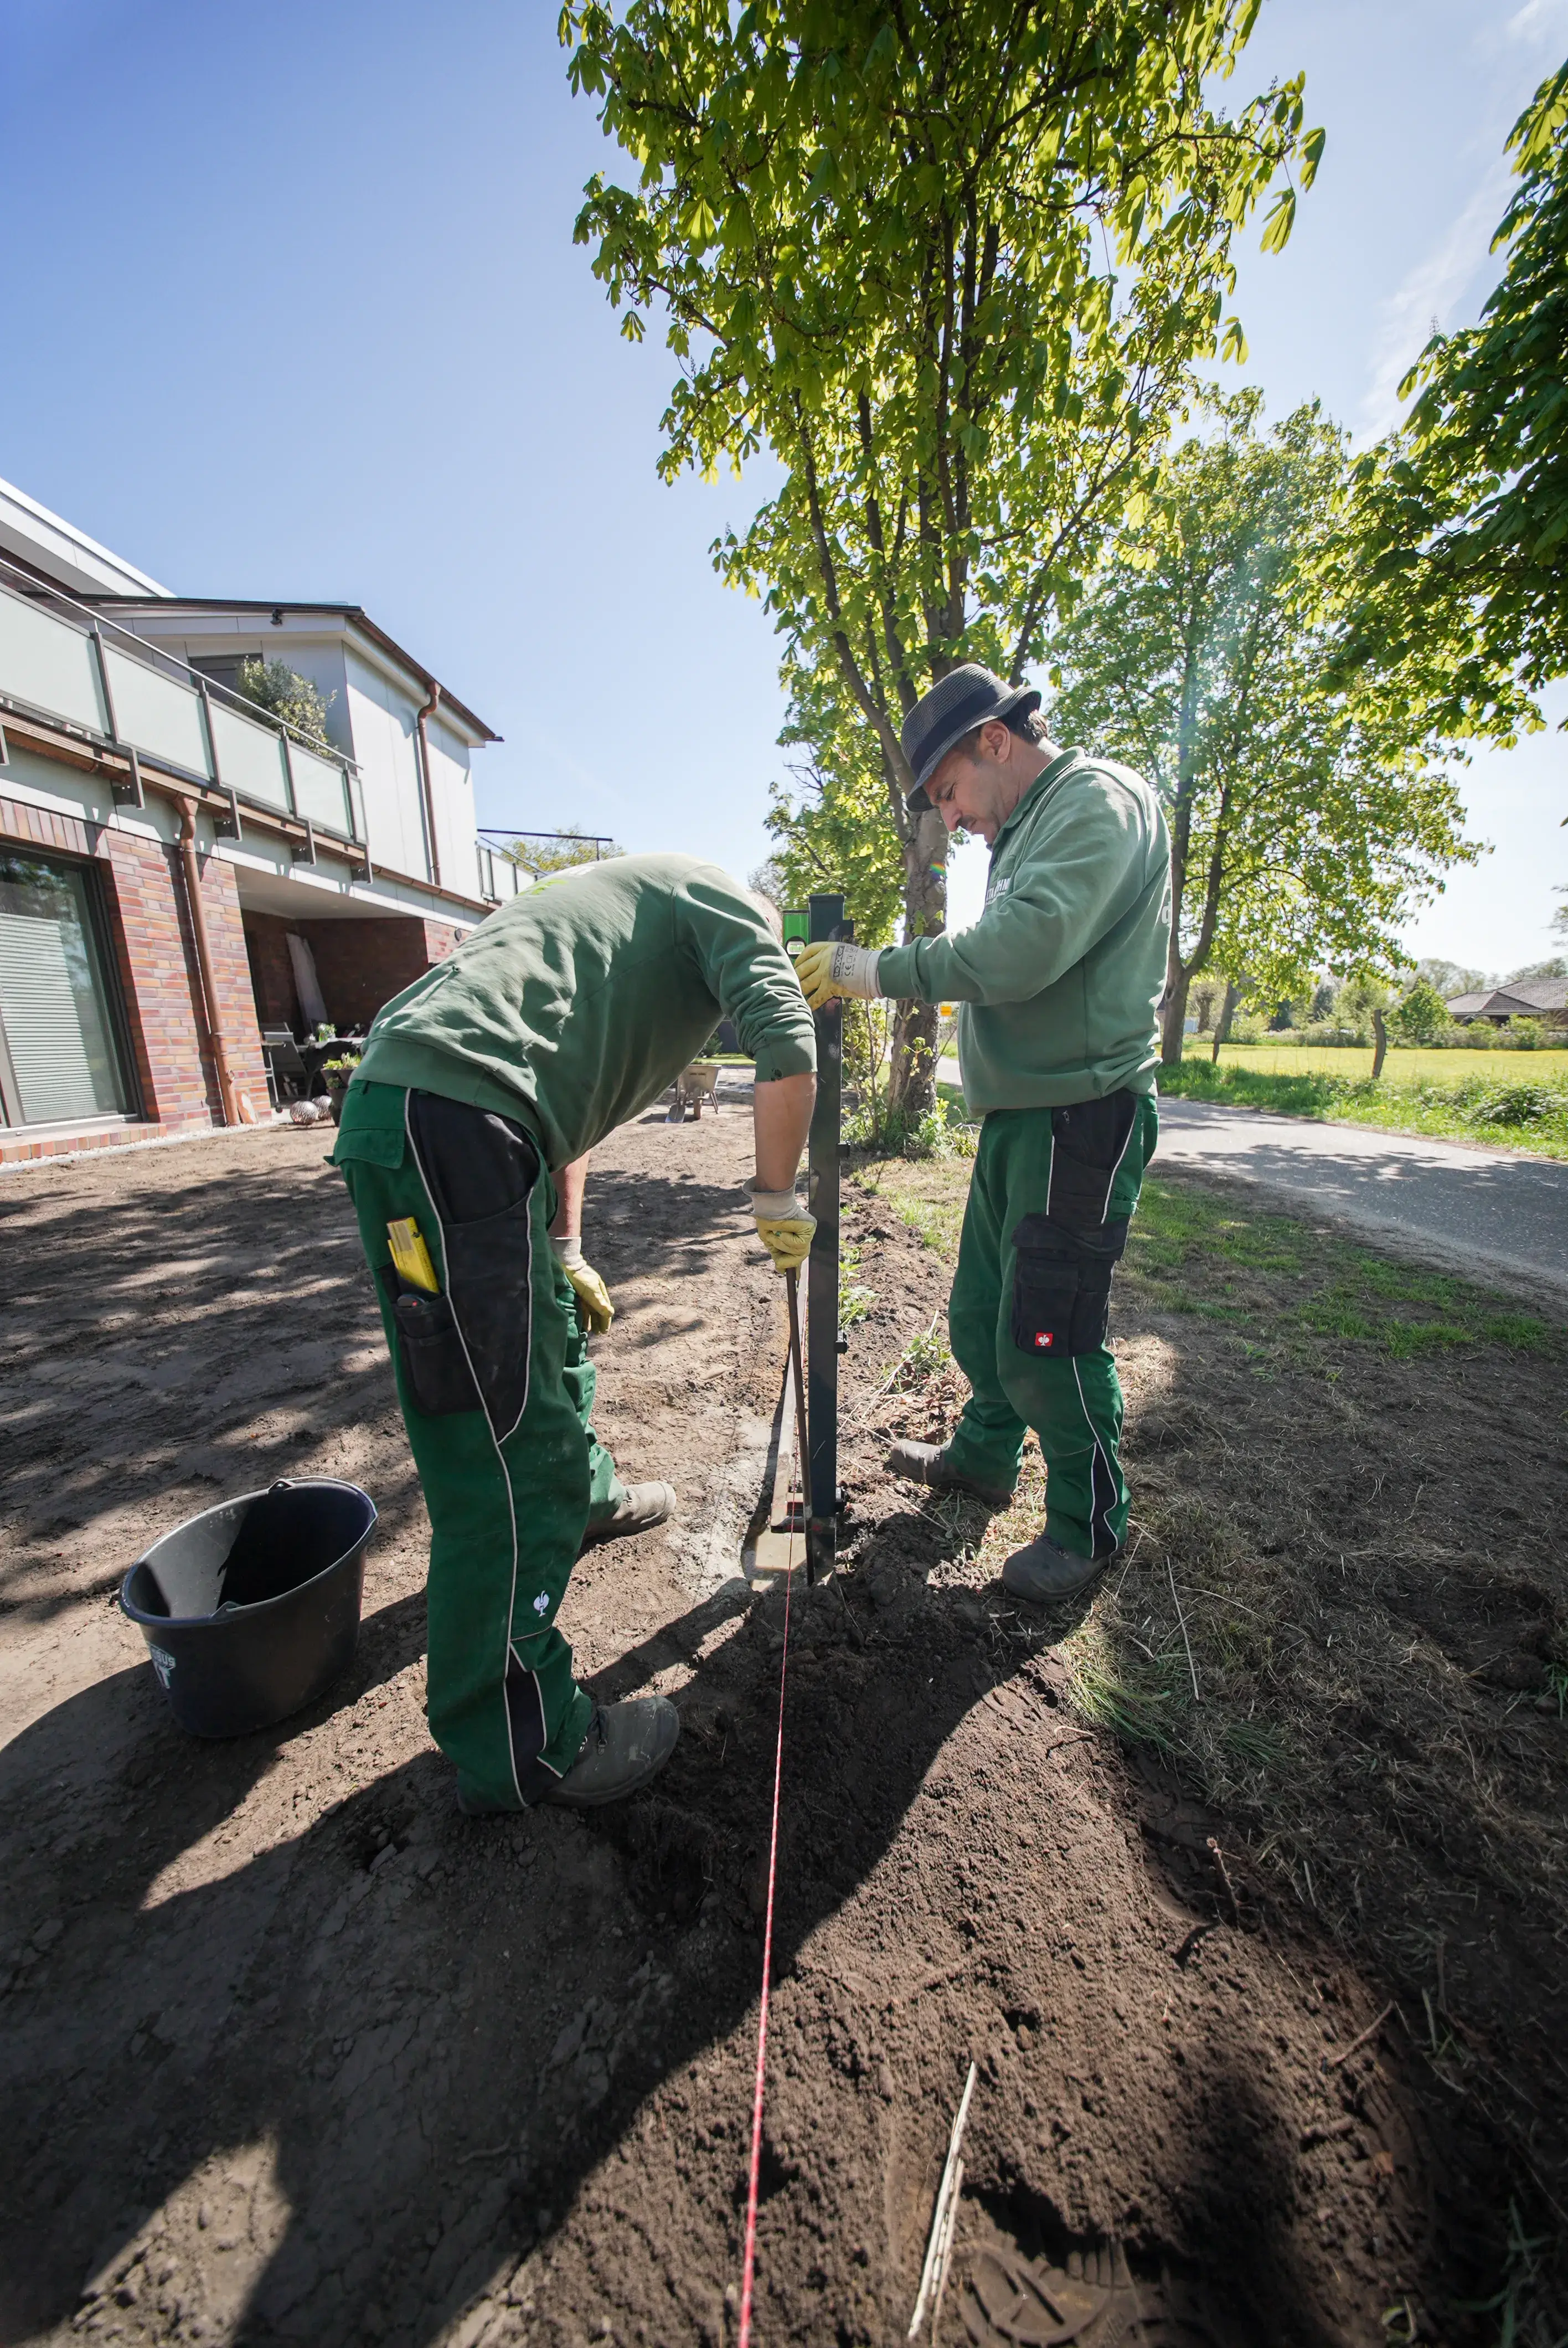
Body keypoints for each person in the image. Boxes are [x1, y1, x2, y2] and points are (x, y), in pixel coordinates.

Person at [332, 856, 816, 1814]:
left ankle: (585, 1499)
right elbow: (790, 1046)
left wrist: (566, 1245)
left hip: (444, 1116)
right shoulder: (727, 906)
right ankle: (520, 1741)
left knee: (542, 1341)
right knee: (502, 1441)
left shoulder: (602, 913)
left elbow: (563, 1104)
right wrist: (775, 1195)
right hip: (455, 1130)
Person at [797, 665, 1170, 1603]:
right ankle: (984, 1459)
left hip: (1081, 1115)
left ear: (996, 740)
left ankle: (1088, 1526)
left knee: (1050, 1334)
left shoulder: (1095, 801)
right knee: (981, 1311)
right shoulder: (1025, 824)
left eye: (951, 794)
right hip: (1022, 1117)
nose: (954, 821)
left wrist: (869, 968)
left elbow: (1023, 950)